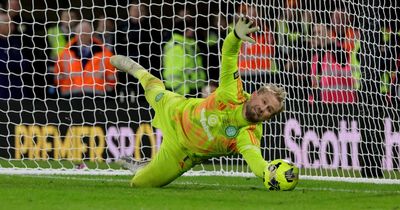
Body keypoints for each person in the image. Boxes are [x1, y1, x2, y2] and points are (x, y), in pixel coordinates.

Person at [110, 17, 289, 187]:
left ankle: (143, 166)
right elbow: (229, 54)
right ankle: (140, 71)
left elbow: (256, 161)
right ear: (256, 94)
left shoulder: (248, 134)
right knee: (152, 89)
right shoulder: (232, 92)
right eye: (264, 101)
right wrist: (234, 36)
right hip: (177, 111)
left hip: (181, 153)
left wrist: (268, 172)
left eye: (269, 110)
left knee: (139, 183)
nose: (262, 109)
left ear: (269, 118)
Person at [54, 21, 116, 97]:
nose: (83, 36)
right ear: (76, 34)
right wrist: (65, 87)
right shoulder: (64, 54)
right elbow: (57, 76)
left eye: (86, 33)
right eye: (81, 33)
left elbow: (112, 78)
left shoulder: (106, 54)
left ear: (91, 34)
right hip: (69, 96)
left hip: (97, 96)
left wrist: (106, 91)